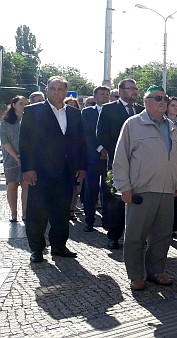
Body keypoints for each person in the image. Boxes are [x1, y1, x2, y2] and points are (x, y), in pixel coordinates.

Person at [112, 85, 177, 291]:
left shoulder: (172, 126)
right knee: (135, 236)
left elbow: (175, 159)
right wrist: (124, 187)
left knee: (162, 235)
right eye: (158, 98)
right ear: (146, 101)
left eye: (165, 98)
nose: (163, 102)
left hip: (167, 190)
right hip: (141, 190)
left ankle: (156, 271)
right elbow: (120, 158)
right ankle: (135, 275)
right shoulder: (133, 124)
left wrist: (176, 183)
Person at [20, 76, 87, 263]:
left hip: (66, 171)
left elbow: (80, 141)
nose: (56, 92)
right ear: (47, 90)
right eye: (52, 88)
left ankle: (58, 246)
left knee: (62, 211)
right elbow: (25, 142)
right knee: (37, 211)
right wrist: (28, 169)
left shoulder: (74, 114)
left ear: (66, 92)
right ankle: (37, 249)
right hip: (40, 172)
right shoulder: (33, 111)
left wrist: (82, 166)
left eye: (60, 89)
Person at [96, 79, 144, 249]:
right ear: (121, 90)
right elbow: (101, 134)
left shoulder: (141, 110)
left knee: (138, 199)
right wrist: (119, 151)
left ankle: (137, 235)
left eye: (136, 89)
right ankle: (114, 236)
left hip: (139, 164)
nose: (134, 91)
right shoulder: (109, 109)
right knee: (116, 200)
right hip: (118, 162)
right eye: (131, 88)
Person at [80, 86, 111, 232]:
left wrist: (109, 150)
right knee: (90, 190)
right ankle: (89, 220)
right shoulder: (87, 112)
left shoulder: (113, 111)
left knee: (108, 190)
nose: (104, 96)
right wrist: (100, 149)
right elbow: (87, 134)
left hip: (109, 158)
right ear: (95, 96)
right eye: (101, 94)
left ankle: (107, 220)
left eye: (107, 94)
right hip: (92, 157)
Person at [1, 96, 29, 222]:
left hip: (27, 157)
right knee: (12, 185)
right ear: (13, 105)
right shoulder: (5, 123)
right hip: (10, 157)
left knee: (26, 185)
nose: (24, 106)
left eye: (26, 104)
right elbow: (5, 141)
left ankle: (25, 214)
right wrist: (16, 156)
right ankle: (13, 214)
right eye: (21, 103)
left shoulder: (30, 120)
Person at [165, 97, 177, 237]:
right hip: (165, 164)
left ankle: (173, 227)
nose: (175, 108)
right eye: (172, 105)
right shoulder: (162, 122)